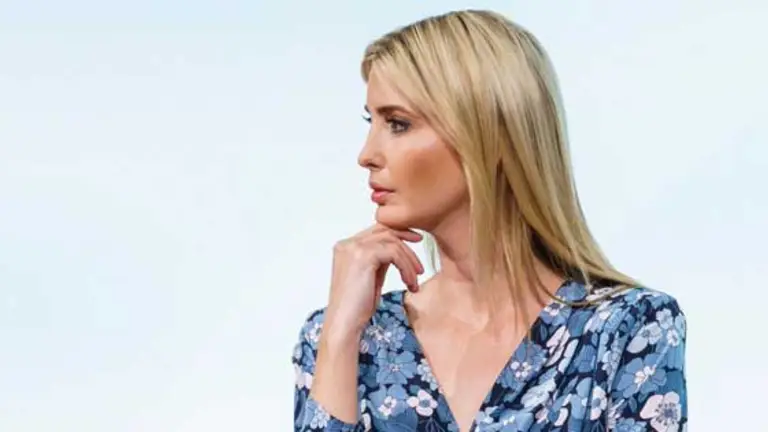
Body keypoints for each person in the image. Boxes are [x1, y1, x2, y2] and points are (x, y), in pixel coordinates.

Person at [292, 9, 687, 432]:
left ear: (487, 130)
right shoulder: (344, 337)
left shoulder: (627, 330)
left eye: (398, 124)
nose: (366, 154)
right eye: (371, 122)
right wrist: (338, 337)